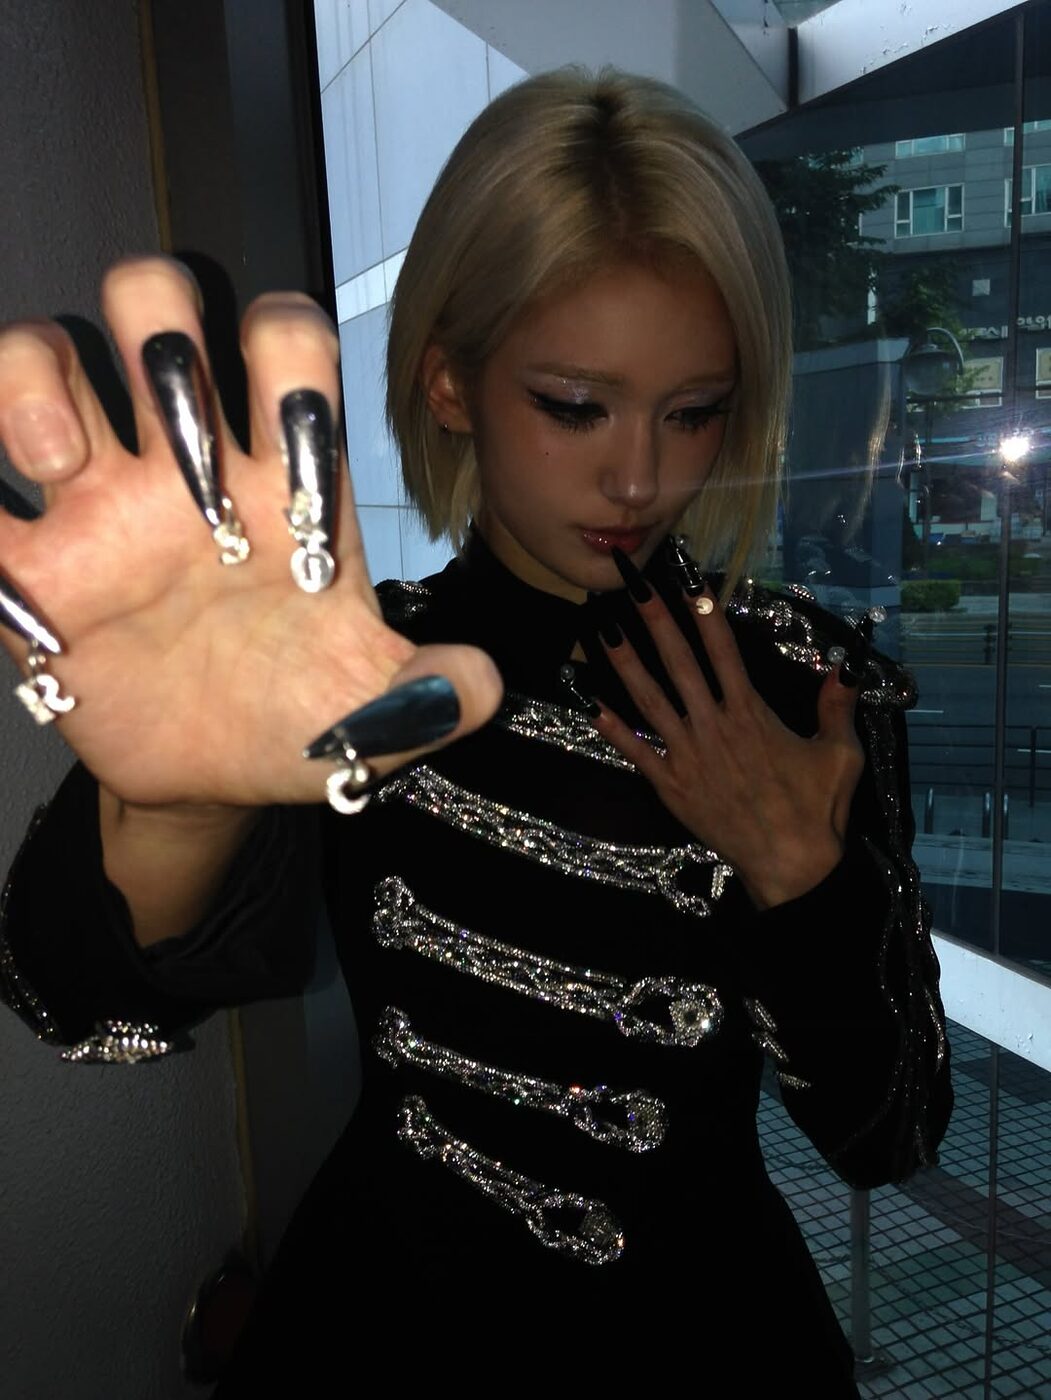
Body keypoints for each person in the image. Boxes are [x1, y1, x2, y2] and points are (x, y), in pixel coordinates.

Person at [0, 68, 951, 1394]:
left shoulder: (805, 688)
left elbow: (890, 1136)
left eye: (695, 411)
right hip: (384, 1321)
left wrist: (806, 885)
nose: (642, 477)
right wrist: (174, 806)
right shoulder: (353, 669)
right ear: (450, 380)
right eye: (575, 404)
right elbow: (75, 1009)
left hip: (709, 1338)